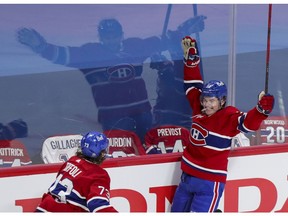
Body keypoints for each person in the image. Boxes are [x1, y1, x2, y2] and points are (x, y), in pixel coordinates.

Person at [16, 17, 205, 141]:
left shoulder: (135, 47)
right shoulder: (90, 54)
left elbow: (165, 40)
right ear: (101, 37)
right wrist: (39, 45)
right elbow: (60, 55)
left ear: (121, 34)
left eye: (114, 35)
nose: (111, 39)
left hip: (143, 115)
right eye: (107, 36)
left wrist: (185, 29)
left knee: (150, 149)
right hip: (114, 119)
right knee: (121, 154)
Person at [170, 36, 275, 212]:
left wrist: (260, 111)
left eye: (211, 101)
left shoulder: (228, 116)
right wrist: (191, 62)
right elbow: (192, 85)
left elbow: (247, 124)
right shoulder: (199, 109)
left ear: (222, 100)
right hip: (187, 178)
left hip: (209, 183)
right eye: (204, 100)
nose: (206, 104)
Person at [35, 131, 118, 212]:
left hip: (44, 208)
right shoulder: (98, 175)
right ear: (101, 154)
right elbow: (98, 206)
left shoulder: (72, 161)